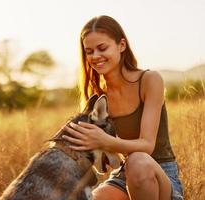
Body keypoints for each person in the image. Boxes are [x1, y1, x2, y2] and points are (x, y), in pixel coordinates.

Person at [62, 15, 184, 200]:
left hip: (161, 174)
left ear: (122, 45)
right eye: (89, 51)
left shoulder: (150, 80)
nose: (95, 56)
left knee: (138, 160)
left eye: (102, 48)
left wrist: (104, 141)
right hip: (123, 174)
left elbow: (147, 146)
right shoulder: (97, 97)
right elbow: (107, 158)